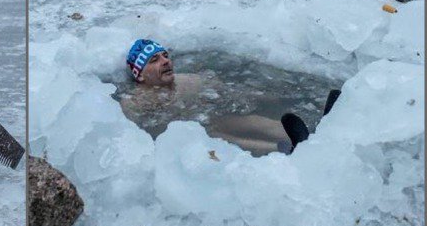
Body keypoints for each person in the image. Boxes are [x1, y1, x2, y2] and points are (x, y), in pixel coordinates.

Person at [121, 39, 340, 155]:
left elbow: (230, 92)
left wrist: (278, 98)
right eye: (154, 60)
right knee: (217, 135)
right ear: (139, 76)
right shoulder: (135, 104)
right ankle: (282, 149)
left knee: (245, 122)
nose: (166, 61)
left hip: (213, 118)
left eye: (166, 56)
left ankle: (311, 136)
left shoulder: (190, 80)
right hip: (190, 143)